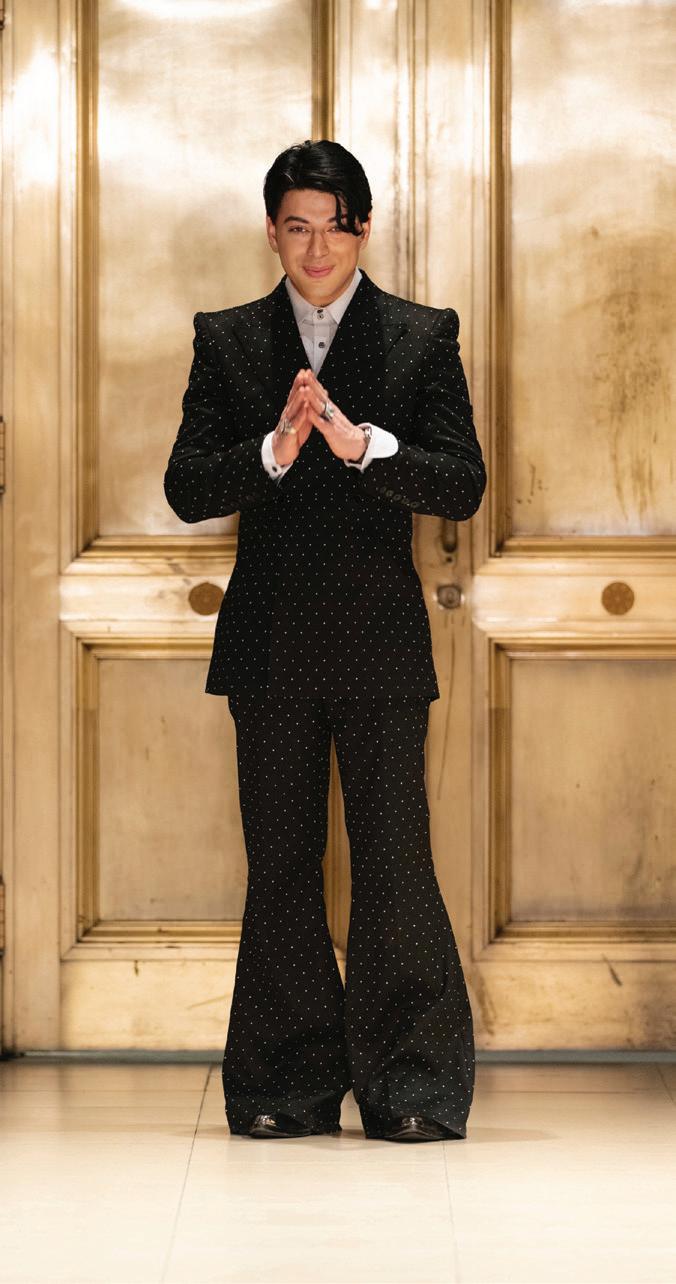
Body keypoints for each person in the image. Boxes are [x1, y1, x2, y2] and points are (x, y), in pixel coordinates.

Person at [163, 139, 487, 1143]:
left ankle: (413, 1089)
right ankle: (284, 1085)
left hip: (380, 642)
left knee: (394, 866)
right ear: (271, 231)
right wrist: (273, 449)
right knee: (282, 867)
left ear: (364, 229)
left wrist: (363, 448)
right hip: (269, 645)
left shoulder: (420, 336)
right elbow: (187, 487)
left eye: (335, 227)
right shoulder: (227, 339)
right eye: (297, 227)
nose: (317, 248)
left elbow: (462, 484)